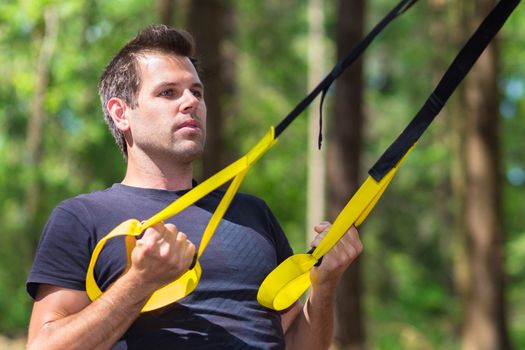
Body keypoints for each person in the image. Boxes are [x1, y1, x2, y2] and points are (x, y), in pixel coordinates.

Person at [26, 24, 363, 350]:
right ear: (121, 113)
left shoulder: (252, 213)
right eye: (167, 92)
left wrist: (324, 288)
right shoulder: (82, 217)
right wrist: (139, 281)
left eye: (196, 92)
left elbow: (294, 343)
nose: (190, 102)